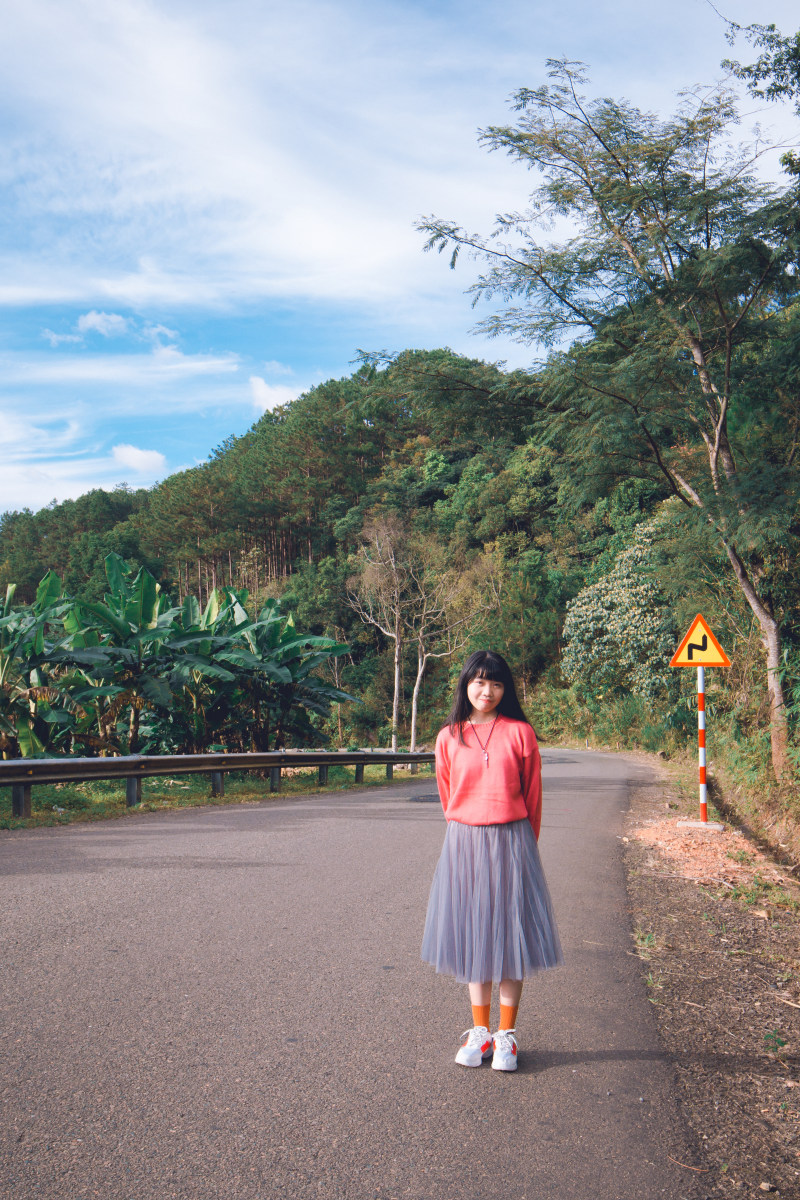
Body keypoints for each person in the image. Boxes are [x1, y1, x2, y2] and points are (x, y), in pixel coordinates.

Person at [421, 649, 563, 1071]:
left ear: (506, 689)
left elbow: (533, 798)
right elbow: (449, 798)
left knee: (509, 936)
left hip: (512, 841)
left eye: (497, 683)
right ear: (466, 684)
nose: (488, 691)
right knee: (474, 935)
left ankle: (507, 1036)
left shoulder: (521, 733)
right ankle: (479, 1032)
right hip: (463, 843)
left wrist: (524, 848)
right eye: (480, 682)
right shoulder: (449, 736)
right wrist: (467, 828)